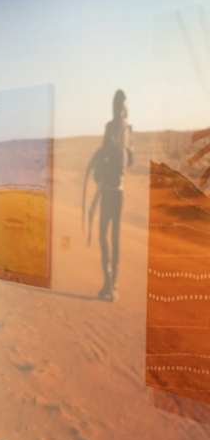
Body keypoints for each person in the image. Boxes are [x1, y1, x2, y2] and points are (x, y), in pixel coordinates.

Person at [83, 89, 134, 302]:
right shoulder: (127, 129)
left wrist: (99, 172)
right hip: (119, 191)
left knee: (105, 236)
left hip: (111, 192)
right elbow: (130, 159)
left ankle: (109, 283)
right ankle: (112, 284)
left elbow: (106, 154)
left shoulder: (112, 127)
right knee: (114, 238)